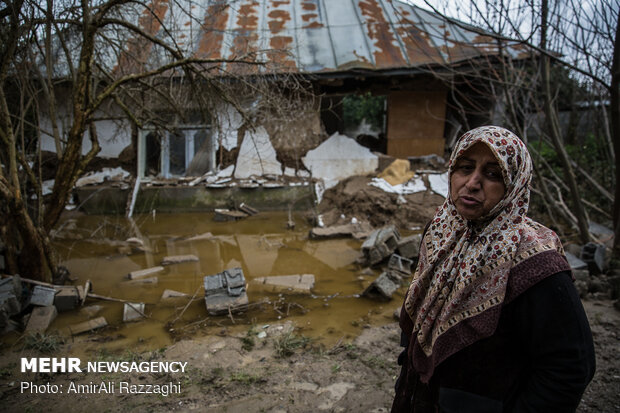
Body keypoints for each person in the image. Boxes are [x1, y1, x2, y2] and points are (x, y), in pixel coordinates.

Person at [391, 126, 595, 412]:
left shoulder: (535, 263)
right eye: (465, 168)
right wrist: (408, 361)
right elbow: (422, 297)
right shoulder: (440, 232)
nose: (472, 183)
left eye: (492, 174)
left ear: (514, 184)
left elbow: (571, 367)